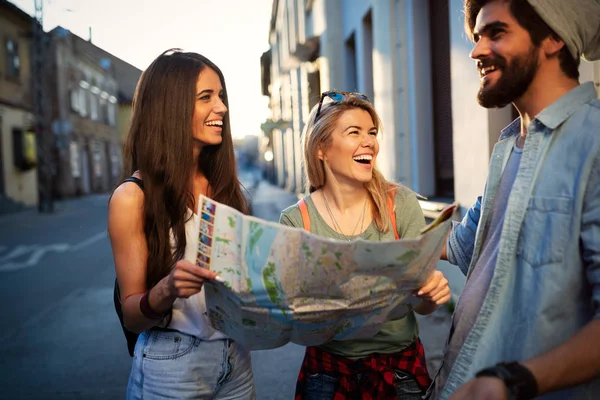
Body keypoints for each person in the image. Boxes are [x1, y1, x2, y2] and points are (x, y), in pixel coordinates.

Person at [429, 0, 600, 399]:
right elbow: (465, 244)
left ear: (554, 38)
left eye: (497, 33)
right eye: (476, 37)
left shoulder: (593, 144)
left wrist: (514, 381)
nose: (475, 51)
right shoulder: (508, 146)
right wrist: (373, 229)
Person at [279, 91, 452, 399]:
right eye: (354, 132)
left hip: (400, 373)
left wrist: (431, 294)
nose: (369, 141)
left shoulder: (401, 204)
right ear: (322, 149)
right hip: (326, 377)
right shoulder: (296, 222)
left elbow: (424, 308)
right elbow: (295, 322)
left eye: (372, 132)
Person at [108, 49, 256, 399]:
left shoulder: (226, 188)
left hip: (236, 357)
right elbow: (132, 315)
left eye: (221, 96)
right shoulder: (133, 197)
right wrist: (167, 288)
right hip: (172, 362)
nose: (221, 108)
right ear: (170, 106)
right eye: (206, 97)